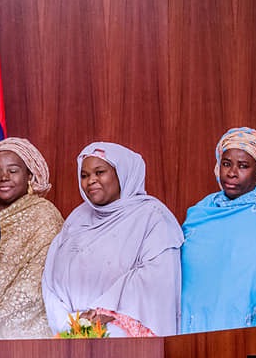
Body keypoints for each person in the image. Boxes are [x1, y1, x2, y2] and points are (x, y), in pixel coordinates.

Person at [42, 142, 183, 337]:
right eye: (84, 175)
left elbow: (157, 278)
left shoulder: (152, 216)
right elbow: (51, 275)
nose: (91, 180)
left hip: (122, 334)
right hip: (71, 333)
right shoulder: (77, 218)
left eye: (100, 172)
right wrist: (69, 321)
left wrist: (105, 309)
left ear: (122, 173)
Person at [180, 127, 256, 333]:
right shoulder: (201, 213)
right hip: (196, 340)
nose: (232, 173)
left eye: (243, 166)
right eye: (226, 164)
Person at [0, 138, 63, 338]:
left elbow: (35, 280)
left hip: (19, 331)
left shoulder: (44, 214)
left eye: (13, 171)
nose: (3, 177)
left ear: (30, 176)